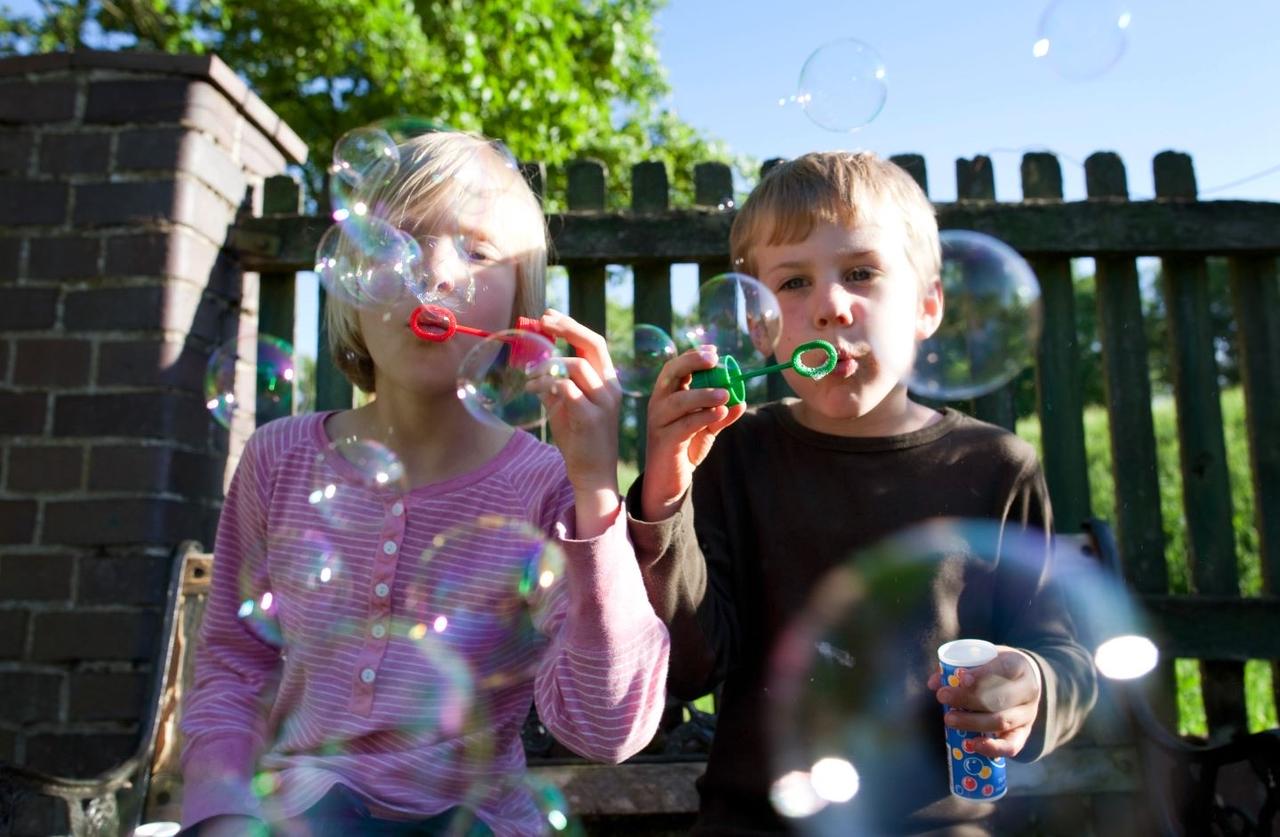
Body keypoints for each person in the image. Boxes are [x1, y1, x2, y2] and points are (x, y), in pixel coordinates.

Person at [180, 130, 670, 836]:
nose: (435, 272)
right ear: (351, 278)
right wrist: (218, 810)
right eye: (402, 240)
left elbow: (607, 725)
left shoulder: (545, 488)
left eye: (476, 250)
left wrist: (594, 485)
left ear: (518, 314)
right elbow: (234, 667)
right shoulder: (276, 460)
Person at [626, 151, 1097, 834]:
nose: (830, 305)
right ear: (760, 327)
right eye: (792, 282)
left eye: (862, 273)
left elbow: (1064, 655)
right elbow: (689, 668)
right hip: (754, 821)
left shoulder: (995, 467)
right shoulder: (733, 455)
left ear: (927, 305)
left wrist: (1031, 686)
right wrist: (668, 488)